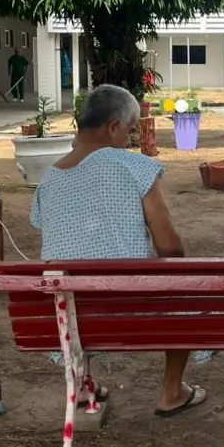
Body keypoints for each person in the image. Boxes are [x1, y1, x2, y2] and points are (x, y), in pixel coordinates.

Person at [30, 84, 207, 416]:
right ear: (113, 126)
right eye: (128, 130)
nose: (128, 140)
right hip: (132, 308)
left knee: (73, 283)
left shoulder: (48, 181)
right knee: (185, 290)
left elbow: (61, 240)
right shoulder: (132, 166)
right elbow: (170, 247)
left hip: (70, 317)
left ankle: (83, 386)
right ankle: (171, 392)